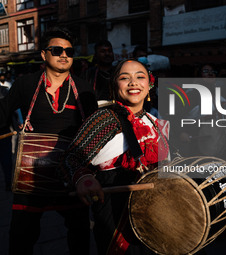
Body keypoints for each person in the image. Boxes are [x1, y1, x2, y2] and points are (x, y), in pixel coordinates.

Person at [0, 26, 98, 255]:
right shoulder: (27, 84)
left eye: (69, 51)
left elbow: (92, 127)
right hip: (32, 173)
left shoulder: (83, 88)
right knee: (21, 236)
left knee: (80, 233)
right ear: (44, 54)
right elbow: (4, 108)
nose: (64, 55)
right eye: (57, 50)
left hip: (70, 170)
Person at [61, 59, 169, 254]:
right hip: (116, 215)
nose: (133, 82)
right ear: (113, 86)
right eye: (124, 78)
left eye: (140, 77)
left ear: (150, 84)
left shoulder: (154, 121)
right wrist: (83, 177)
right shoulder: (104, 118)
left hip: (155, 214)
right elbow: (71, 158)